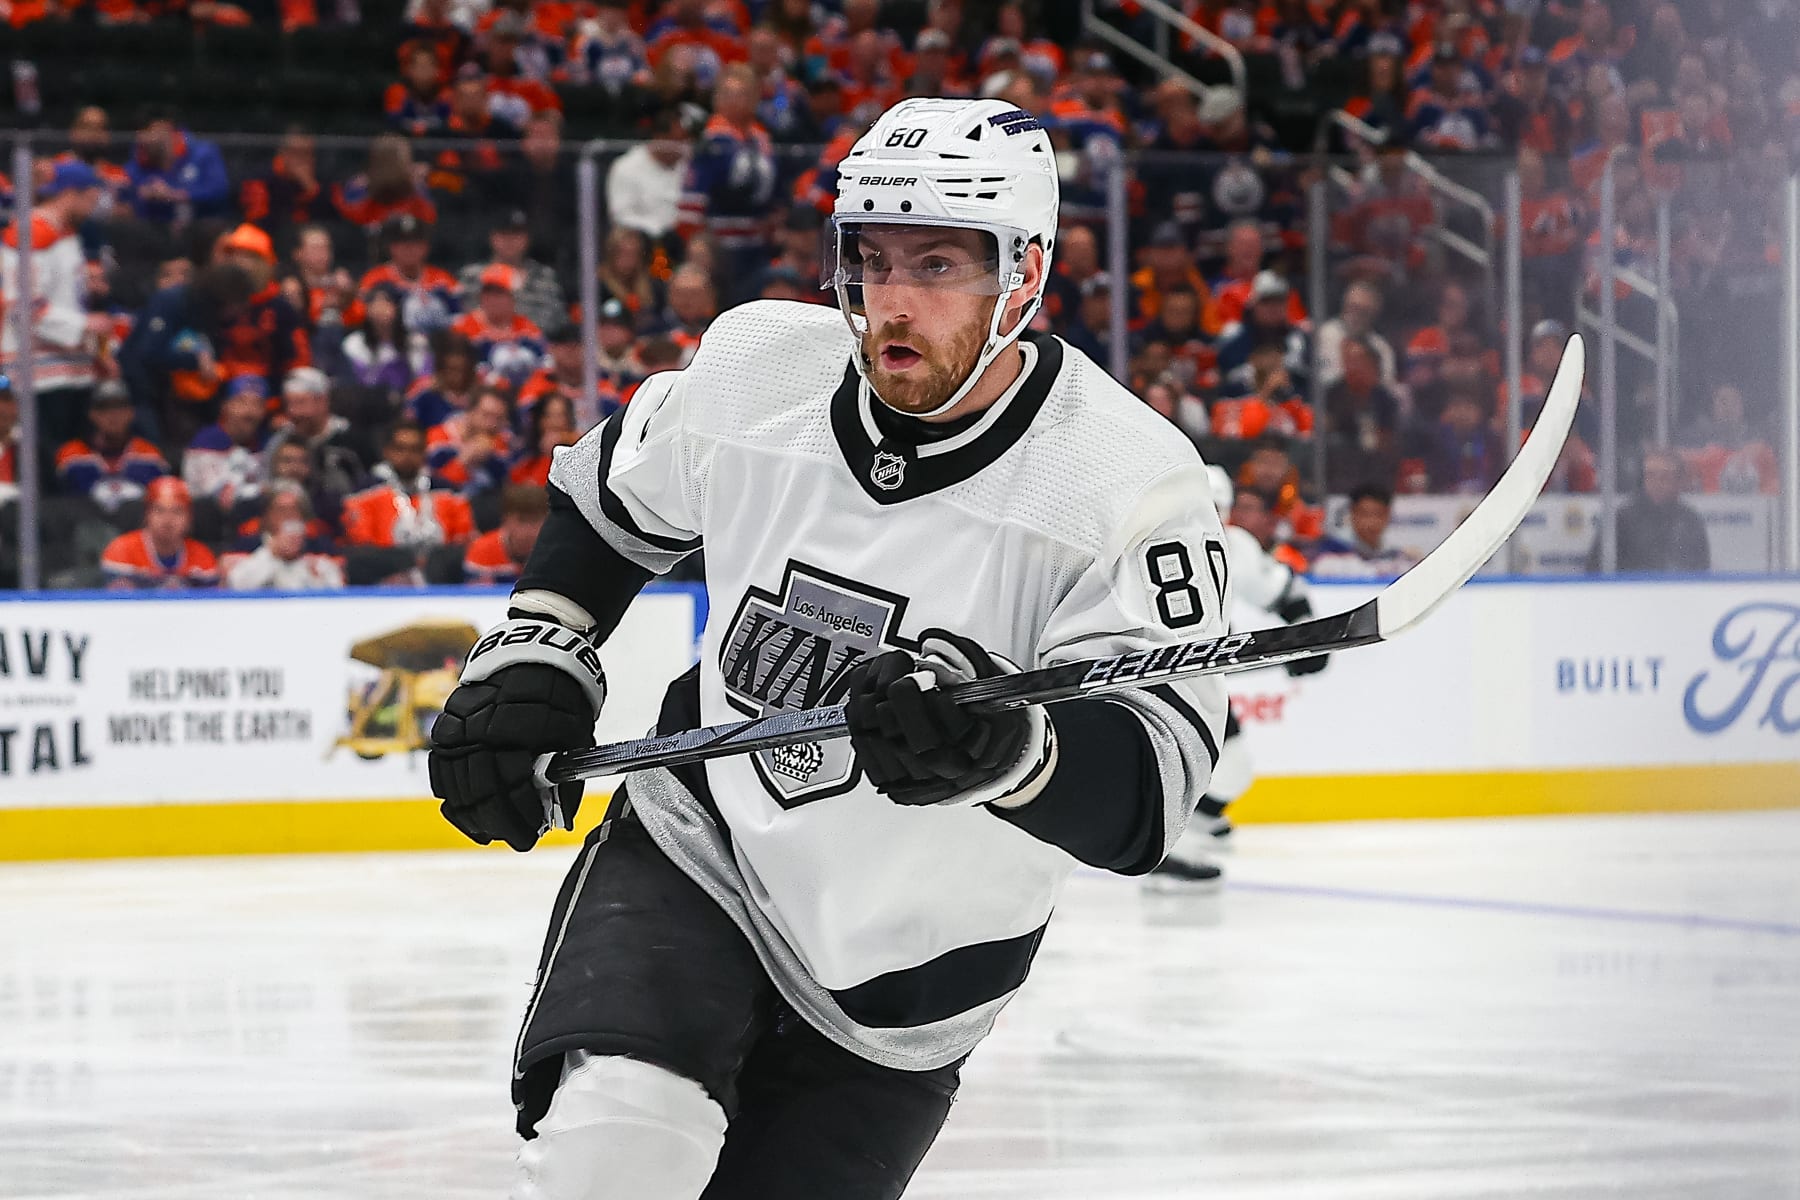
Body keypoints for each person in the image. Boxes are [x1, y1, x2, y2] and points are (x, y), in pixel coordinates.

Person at [426, 96, 1229, 1200]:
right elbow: (612, 503)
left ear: (1024, 275)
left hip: (912, 975)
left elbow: (1149, 793)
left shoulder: (1126, 481)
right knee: (616, 1151)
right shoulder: (762, 367)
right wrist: (541, 645)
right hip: (702, 851)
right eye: (871, 258)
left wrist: (1010, 753)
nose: (891, 300)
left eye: (938, 264)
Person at [1149, 466, 1326, 886]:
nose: (1206, 515)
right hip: (1156, 682)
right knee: (1211, 767)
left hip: (1198, 681)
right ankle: (1174, 843)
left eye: (1216, 507)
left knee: (1230, 768)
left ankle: (1189, 829)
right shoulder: (1147, 545)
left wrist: (1305, 634)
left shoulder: (1233, 546)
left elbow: (1283, 591)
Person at [2, 159, 108, 453]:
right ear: (70, 194)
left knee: (71, 459)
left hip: (70, 369)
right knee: (46, 460)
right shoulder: (32, 233)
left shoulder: (65, 233)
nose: (93, 208)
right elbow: (23, 308)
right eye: (90, 199)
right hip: (39, 374)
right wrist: (85, 325)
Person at [342, 420, 475, 551]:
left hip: (440, 560)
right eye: (400, 449)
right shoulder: (365, 492)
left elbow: (463, 540)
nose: (407, 456)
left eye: (415, 449)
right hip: (384, 561)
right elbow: (361, 544)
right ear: (387, 451)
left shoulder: (448, 491)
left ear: (424, 452)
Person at [263, 366, 374, 514]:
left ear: (323, 401)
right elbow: (266, 484)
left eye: (300, 403)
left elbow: (372, 486)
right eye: (288, 404)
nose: (293, 412)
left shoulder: (351, 440)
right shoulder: (281, 441)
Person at [1588, 447, 1710, 573]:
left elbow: (1701, 570)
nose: (1657, 482)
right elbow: (1595, 569)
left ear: (1679, 480)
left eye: (1665, 476)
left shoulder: (1689, 520)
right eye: (1650, 475)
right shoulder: (1621, 519)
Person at [54, 382, 170, 513]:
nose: (113, 415)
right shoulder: (71, 455)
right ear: (92, 414)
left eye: (119, 407)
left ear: (131, 413)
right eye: (104, 408)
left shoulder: (150, 455)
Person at [457, 208, 566, 334]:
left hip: (539, 342)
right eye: (504, 234)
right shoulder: (472, 275)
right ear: (492, 237)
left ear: (527, 238)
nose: (509, 240)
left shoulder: (545, 277)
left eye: (516, 234)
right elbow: (459, 319)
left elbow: (560, 323)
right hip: (482, 342)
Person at [100, 476, 219, 589]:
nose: (168, 519)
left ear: (189, 518)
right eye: (159, 510)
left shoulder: (202, 557)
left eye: (177, 511)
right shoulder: (121, 551)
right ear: (147, 515)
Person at [225, 485, 346, 591]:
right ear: (267, 515)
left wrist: (316, 576)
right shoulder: (247, 545)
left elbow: (337, 589)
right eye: (281, 510)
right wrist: (272, 552)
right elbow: (236, 585)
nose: (288, 516)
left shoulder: (319, 545)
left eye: (293, 509)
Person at [451, 264, 548, 389]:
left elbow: (544, 366)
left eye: (499, 293)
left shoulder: (528, 329)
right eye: (487, 292)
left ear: (514, 297)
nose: (492, 299)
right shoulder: (462, 328)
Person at [182, 376, 269, 514]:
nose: (250, 411)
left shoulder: (264, 443)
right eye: (241, 402)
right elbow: (221, 500)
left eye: (257, 404)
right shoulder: (207, 442)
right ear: (225, 406)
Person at [606, 106, 691, 244]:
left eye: (686, 141)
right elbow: (621, 215)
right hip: (645, 240)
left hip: (683, 238)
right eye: (678, 141)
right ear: (661, 139)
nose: (684, 147)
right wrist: (658, 231)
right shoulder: (627, 166)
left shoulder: (689, 164)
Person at [1310, 484, 1418, 578]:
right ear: (1352, 514)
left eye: (1378, 514)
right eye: (1365, 514)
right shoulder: (1332, 550)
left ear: (1388, 515)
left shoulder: (1396, 554)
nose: (1371, 522)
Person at [463, 482, 549, 584]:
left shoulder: (555, 549)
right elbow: (476, 592)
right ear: (505, 520)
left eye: (535, 521)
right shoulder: (482, 549)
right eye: (522, 520)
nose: (529, 530)